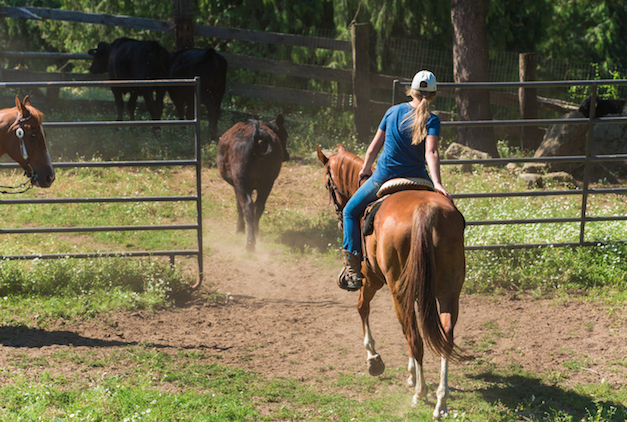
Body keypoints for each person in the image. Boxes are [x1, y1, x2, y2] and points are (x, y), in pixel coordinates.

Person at [338, 70, 453, 291]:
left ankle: (352, 268)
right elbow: (432, 152)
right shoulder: (433, 119)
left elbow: (374, 147)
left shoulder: (392, 112)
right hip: (419, 178)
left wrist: (364, 169)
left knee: (350, 211)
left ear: (411, 90)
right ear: (434, 94)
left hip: (384, 178)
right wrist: (437, 184)